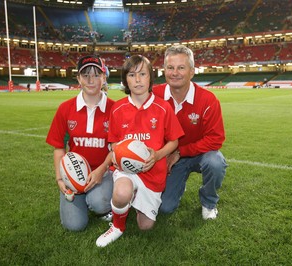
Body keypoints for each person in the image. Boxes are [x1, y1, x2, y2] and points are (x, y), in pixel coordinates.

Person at [96, 55, 184, 247]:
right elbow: (113, 144)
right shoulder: (118, 109)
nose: (137, 79)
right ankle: (118, 226)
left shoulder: (163, 107)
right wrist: (119, 153)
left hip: (153, 173)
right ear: (125, 80)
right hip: (126, 170)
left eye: (142, 74)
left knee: (146, 226)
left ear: (150, 78)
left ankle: (134, 200)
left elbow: (174, 141)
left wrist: (158, 155)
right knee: (121, 193)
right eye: (132, 74)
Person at [153, 45, 228, 220]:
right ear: (164, 70)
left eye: (181, 67)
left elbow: (216, 139)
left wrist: (181, 152)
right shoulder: (154, 95)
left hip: (199, 154)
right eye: (170, 68)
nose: (175, 73)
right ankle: (178, 183)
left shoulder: (208, 100)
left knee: (215, 162)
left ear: (192, 72)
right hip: (169, 156)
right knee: (165, 208)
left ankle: (209, 203)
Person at [46, 55, 115, 231]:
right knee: (74, 226)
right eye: (85, 75)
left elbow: (117, 149)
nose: (91, 80)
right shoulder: (65, 109)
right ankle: (83, 198)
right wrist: (60, 178)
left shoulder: (115, 109)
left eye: (96, 74)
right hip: (74, 173)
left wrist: (101, 170)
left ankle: (102, 205)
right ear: (78, 79)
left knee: (99, 202)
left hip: (104, 173)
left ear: (104, 77)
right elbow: (59, 147)